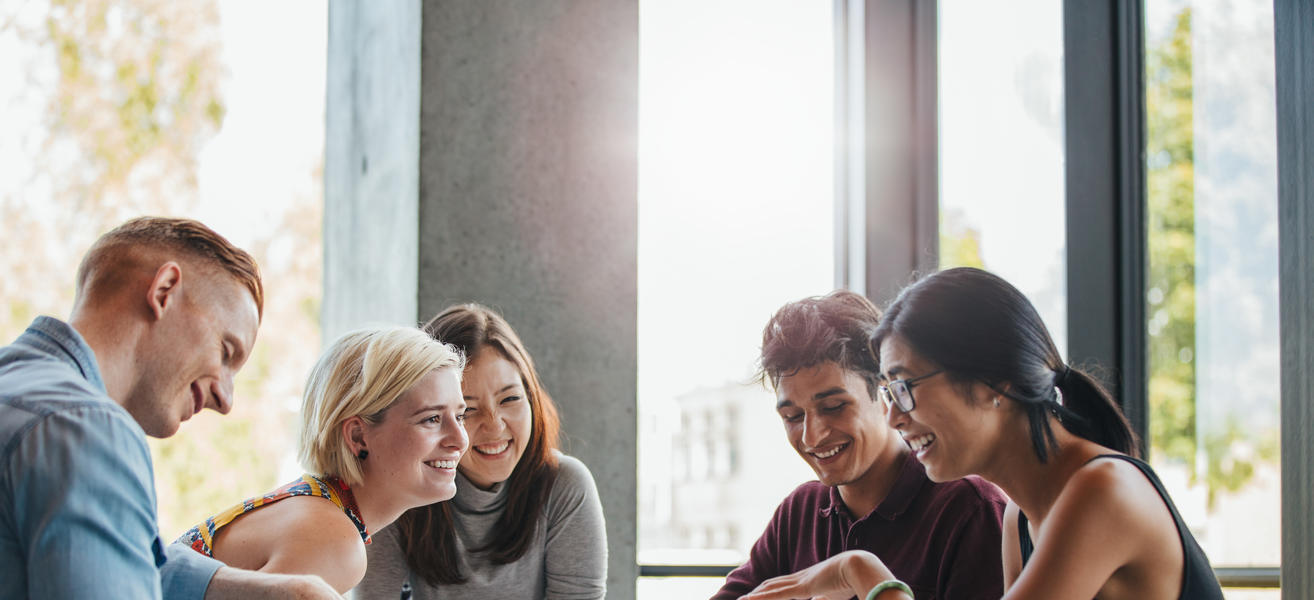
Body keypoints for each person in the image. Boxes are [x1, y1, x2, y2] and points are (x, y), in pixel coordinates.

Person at [742, 268, 1225, 600]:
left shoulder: (1102, 492)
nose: (894, 417)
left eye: (905, 388)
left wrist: (861, 573)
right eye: (889, 392)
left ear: (996, 382)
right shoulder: (1020, 517)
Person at [0, 216, 340, 599]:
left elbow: (115, 558)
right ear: (164, 290)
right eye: (226, 352)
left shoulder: (22, 395)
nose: (225, 401)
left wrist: (279, 590)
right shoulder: (87, 428)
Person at [713, 290, 1007, 600]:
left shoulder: (969, 510)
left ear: (885, 394)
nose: (812, 436)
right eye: (793, 416)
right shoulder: (799, 513)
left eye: (834, 407)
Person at [176, 326, 469, 594]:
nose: (460, 439)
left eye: (460, 416)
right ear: (357, 436)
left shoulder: (319, 507)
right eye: (431, 419)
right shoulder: (333, 541)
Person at [355, 303, 607, 600]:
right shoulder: (402, 485)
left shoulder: (565, 485)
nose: (494, 425)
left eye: (510, 398)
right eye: (468, 410)